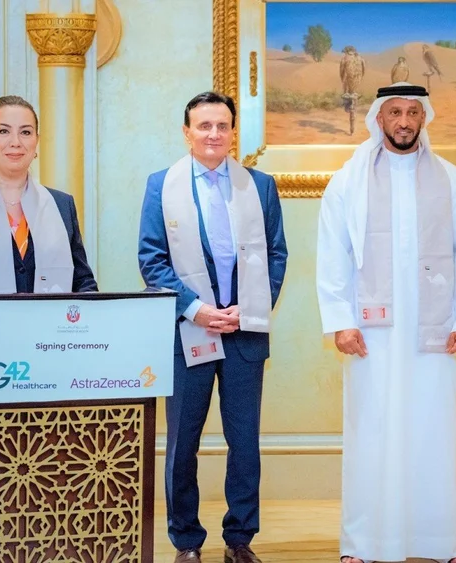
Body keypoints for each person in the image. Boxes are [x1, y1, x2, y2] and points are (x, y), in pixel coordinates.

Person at [316, 83, 456, 563]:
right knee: (371, 431)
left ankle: (443, 542)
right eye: (395, 112)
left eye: (413, 112)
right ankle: (364, 543)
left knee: (435, 431)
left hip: (436, 330)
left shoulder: (454, 181)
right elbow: (332, 256)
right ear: (379, 118)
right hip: (370, 333)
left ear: (424, 118)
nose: (405, 121)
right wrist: (340, 321)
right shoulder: (348, 182)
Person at [138, 91, 287, 563]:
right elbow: (152, 260)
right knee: (183, 443)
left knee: (244, 443)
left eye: (222, 126)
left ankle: (239, 539)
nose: (213, 134)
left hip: (245, 332)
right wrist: (195, 309)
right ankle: (186, 541)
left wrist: (253, 306)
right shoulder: (162, 185)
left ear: (233, 132)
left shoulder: (260, 186)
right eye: (204, 126)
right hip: (189, 332)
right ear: (187, 132)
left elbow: (277, 254)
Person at [0, 95, 97, 294]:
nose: (16, 142)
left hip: (51, 316)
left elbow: (83, 282)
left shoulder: (61, 205)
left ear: (36, 141)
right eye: (3, 131)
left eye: (25, 132)